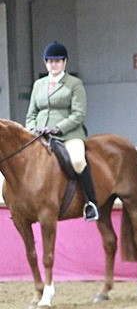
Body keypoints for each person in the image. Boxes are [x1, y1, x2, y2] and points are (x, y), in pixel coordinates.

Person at [26, 41, 97, 221]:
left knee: (79, 160)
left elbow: (78, 114)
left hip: (69, 135)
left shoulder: (74, 83)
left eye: (57, 61)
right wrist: (31, 129)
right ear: (45, 63)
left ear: (64, 62)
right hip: (40, 136)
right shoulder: (38, 85)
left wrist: (58, 128)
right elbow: (31, 114)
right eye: (50, 61)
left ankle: (91, 203)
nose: (53, 64)